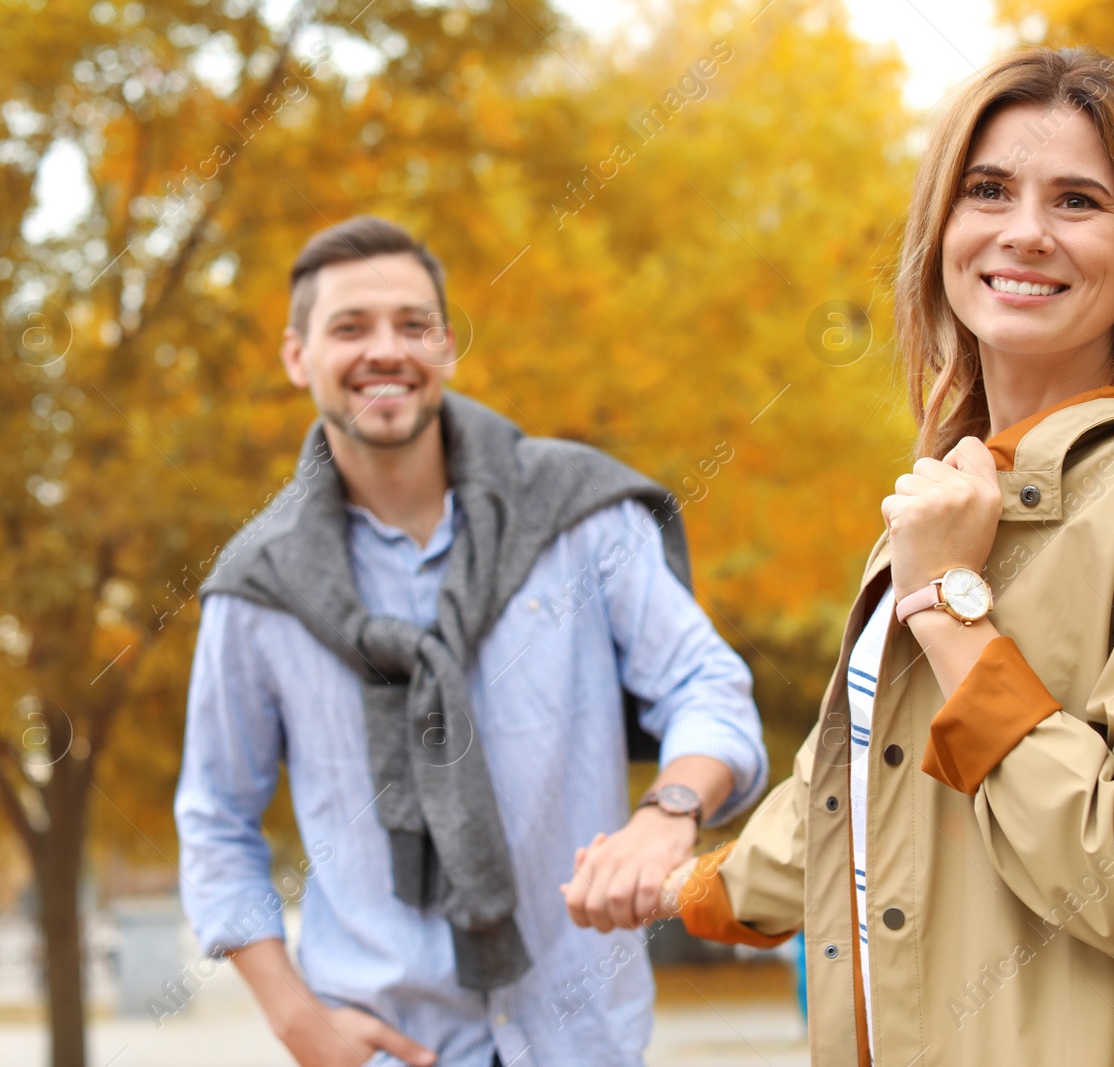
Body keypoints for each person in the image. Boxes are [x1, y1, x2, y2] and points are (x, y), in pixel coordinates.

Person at [567, 47, 1114, 1066]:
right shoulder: (948, 498)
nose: (1023, 230)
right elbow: (864, 793)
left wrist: (949, 607)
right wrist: (678, 877)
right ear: (941, 231)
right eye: (987, 190)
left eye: (1076, 201)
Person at [174, 215, 768, 1067]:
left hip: (584, 1040)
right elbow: (216, 822)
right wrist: (300, 1025)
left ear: (446, 346)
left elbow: (706, 686)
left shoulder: (581, 517)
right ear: (297, 356)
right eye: (350, 327)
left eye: (413, 325)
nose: (387, 350)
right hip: (386, 1048)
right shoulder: (256, 590)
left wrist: (668, 811)